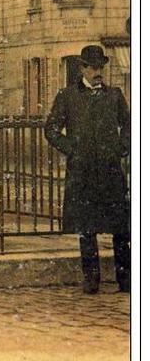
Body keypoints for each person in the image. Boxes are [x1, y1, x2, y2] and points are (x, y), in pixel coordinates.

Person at [44, 45, 130, 295]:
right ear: (82, 68)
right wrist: (72, 149)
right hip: (82, 172)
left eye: (101, 67)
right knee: (87, 228)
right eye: (93, 67)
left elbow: (129, 126)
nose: (97, 72)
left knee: (121, 228)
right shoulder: (68, 96)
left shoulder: (114, 96)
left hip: (110, 170)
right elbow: (51, 129)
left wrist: (121, 148)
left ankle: (125, 279)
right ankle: (91, 279)